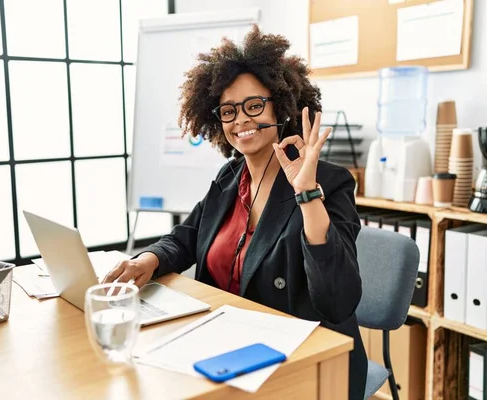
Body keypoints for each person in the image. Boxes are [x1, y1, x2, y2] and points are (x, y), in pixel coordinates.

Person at [104, 25, 367, 399]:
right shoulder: (230, 177)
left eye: (254, 106)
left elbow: (337, 301)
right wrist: (148, 259)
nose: (241, 119)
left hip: (303, 360)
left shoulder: (330, 182)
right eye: (229, 110)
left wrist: (306, 192)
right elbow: (188, 237)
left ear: (281, 104)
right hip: (226, 344)